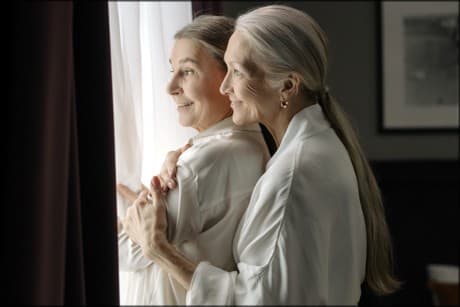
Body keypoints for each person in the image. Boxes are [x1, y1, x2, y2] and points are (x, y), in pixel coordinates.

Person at [122, 4, 401, 305]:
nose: (226, 86)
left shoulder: (292, 178)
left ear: (287, 86)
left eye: (237, 72)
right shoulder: (316, 148)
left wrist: (159, 250)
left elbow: (258, 301)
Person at [116, 15, 270, 305]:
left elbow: (128, 252)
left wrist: (124, 220)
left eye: (187, 71)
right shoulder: (250, 146)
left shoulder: (205, 161)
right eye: (172, 70)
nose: (170, 86)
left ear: (230, 78)